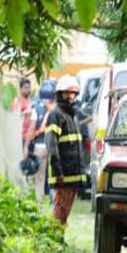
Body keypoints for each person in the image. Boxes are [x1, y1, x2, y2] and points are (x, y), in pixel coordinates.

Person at [45, 75, 87, 226]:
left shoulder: (72, 116)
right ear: (59, 94)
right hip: (62, 174)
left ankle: (59, 237)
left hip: (73, 174)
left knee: (66, 209)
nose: (70, 97)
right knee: (60, 209)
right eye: (66, 93)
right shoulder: (55, 115)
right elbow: (51, 144)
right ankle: (55, 238)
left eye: (73, 93)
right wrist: (57, 170)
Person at [27, 79, 56, 204]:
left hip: (40, 146)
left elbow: (33, 128)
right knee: (53, 174)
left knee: (40, 176)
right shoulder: (57, 109)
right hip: (54, 146)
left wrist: (28, 143)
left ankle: (39, 200)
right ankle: (54, 199)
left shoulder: (36, 109)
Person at [13, 78, 33, 147]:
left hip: (29, 135)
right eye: (26, 88)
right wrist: (25, 113)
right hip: (21, 136)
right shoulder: (18, 101)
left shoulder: (29, 100)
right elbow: (14, 117)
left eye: (29, 87)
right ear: (21, 89)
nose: (28, 90)